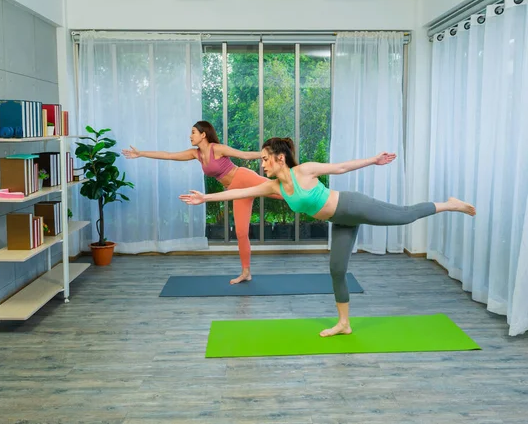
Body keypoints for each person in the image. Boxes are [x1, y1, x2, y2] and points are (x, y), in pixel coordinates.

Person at [179, 137, 476, 337]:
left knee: (403, 215)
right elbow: (239, 191)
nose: (263, 164)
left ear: (281, 158)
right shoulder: (274, 187)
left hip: (351, 205)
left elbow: (342, 167)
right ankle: (344, 323)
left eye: (267, 159)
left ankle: (450, 204)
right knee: (337, 270)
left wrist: (374, 160)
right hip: (340, 220)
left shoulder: (304, 171)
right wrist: (205, 197)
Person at [122, 121, 282, 284]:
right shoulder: (195, 154)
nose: (190, 136)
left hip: (243, 177)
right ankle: (246, 272)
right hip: (236, 191)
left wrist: (269, 155)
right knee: (241, 233)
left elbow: (244, 155)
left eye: (193, 132)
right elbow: (169, 155)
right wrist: (141, 153)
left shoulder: (217, 149)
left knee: (282, 193)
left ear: (203, 134)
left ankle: (304, 185)